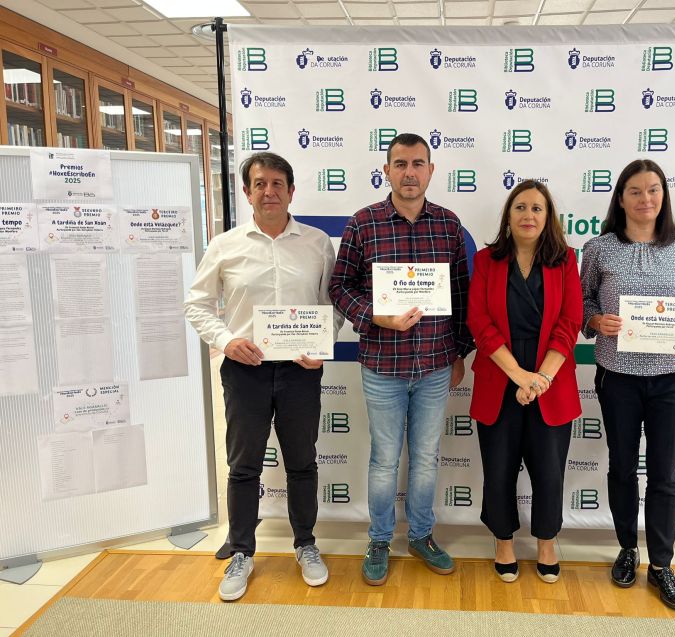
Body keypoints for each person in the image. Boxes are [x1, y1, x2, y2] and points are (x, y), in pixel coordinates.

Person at [185, 152, 342, 601]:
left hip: (299, 372)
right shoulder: (225, 245)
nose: (269, 191)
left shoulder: (316, 243)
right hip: (244, 371)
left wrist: (321, 345)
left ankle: (306, 545)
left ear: (292, 191)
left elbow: (331, 305)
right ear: (247, 191)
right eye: (260, 184)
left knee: (302, 462)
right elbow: (196, 303)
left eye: (277, 183)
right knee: (244, 466)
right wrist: (226, 339)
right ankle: (241, 552)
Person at [329, 133, 475, 586]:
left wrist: (458, 353)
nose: (409, 172)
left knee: (427, 458)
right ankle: (378, 538)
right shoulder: (363, 223)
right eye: (400, 164)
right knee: (384, 460)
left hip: (434, 365)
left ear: (431, 171)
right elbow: (339, 287)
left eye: (418, 163)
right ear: (386, 171)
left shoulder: (449, 226)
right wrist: (377, 316)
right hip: (382, 367)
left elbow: (461, 296)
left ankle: (422, 535)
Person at [580, 158, 675, 611]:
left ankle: (661, 566)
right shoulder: (598, 248)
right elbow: (582, 301)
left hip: (672, 379)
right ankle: (626, 549)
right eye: (635, 191)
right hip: (618, 377)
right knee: (621, 468)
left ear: (663, 195)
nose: (645, 199)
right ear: (621, 198)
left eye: (653, 190)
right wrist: (594, 319)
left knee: (665, 476)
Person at [467, 180, 582, 584]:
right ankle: (503, 541)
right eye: (520, 207)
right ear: (508, 215)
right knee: (498, 469)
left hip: (550, 380)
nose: (528, 215)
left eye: (537, 208)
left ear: (548, 216)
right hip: (501, 380)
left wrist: (541, 379)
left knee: (549, 471)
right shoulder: (486, 261)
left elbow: (570, 324)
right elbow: (479, 324)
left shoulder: (566, 260)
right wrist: (519, 375)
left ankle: (547, 541)